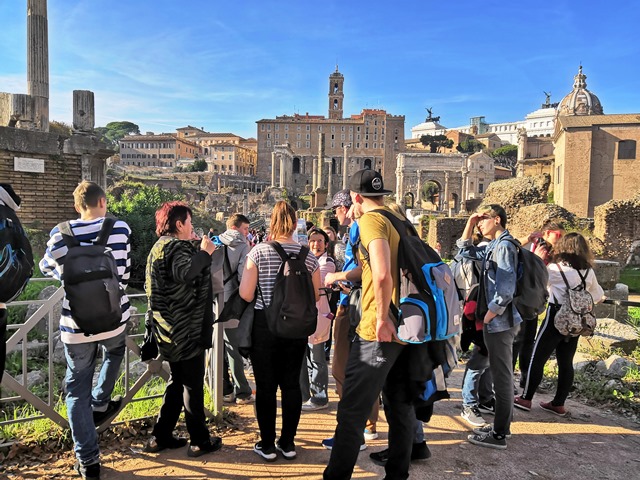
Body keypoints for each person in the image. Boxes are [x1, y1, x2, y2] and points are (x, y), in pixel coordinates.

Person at [324, 170, 417, 480]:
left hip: (379, 329)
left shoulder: (370, 221)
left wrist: (380, 318)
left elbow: (381, 273)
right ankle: (397, 475)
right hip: (407, 326)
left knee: (351, 409)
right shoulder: (400, 221)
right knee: (399, 405)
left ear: (356, 197)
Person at [40, 181, 132, 480]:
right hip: (114, 318)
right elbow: (124, 273)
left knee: (77, 389)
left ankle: (88, 460)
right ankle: (102, 401)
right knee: (115, 350)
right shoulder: (120, 229)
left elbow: (45, 267)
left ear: (77, 206)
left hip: (76, 325)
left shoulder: (59, 234)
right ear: (102, 201)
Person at [239, 201, 321, 461]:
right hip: (296, 327)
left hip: (265, 325)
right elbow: (316, 295)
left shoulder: (259, 252)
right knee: (291, 385)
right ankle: (287, 443)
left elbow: (246, 293)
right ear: (296, 223)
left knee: (265, 386)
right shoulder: (308, 256)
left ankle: (267, 445)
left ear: (271, 222)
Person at [144, 201, 222, 457]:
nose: (191, 227)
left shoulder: (158, 247)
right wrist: (205, 253)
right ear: (179, 224)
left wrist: (195, 250)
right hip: (185, 328)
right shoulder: (175, 247)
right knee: (192, 385)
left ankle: (160, 436)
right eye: (189, 222)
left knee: (178, 382)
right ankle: (199, 441)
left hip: (166, 328)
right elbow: (186, 273)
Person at [515, 232, 605, 416]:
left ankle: (526, 398)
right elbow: (597, 296)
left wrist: (538, 260)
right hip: (576, 321)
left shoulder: (555, 269)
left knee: (537, 358)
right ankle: (558, 403)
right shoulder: (588, 272)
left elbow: (537, 283)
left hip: (556, 316)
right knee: (566, 362)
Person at [457, 204, 521, 450]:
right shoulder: (494, 245)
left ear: (497, 220)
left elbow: (505, 289)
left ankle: (499, 434)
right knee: (499, 374)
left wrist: (489, 316)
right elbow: (464, 251)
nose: (480, 224)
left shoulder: (503, 246)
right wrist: (470, 223)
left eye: (484, 219)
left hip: (500, 323)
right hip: (498, 322)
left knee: (502, 377)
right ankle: (502, 428)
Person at [321, 190, 380, 450]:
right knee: (365, 368)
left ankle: (351, 432)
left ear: (346, 207)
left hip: (353, 305)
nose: (335, 215)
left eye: (336, 210)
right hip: (365, 303)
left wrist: (337, 277)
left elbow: (364, 269)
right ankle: (369, 425)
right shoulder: (374, 225)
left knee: (341, 370)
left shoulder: (358, 228)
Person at [513, 222, 565, 389]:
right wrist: (535, 258)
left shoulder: (552, 252)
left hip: (534, 300)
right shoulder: (529, 246)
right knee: (516, 340)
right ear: (547, 233)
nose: (560, 239)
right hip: (519, 299)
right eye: (558, 235)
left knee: (528, 340)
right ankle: (507, 379)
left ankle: (525, 377)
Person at [219, 213, 254, 405]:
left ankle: (224, 390)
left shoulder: (215, 242)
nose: (247, 233)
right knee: (233, 347)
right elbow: (242, 275)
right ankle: (242, 391)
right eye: (245, 229)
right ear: (235, 228)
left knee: (218, 346)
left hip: (214, 301)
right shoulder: (242, 245)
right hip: (232, 300)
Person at [300, 228, 335, 411]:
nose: (316, 244)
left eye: (320, 241)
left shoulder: (327, 263)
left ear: (326, 244)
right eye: (313, 240)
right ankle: (306, 396)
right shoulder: (306, 260)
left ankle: (320, 397)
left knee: (317, 358)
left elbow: (316, 283)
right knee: (305, 358)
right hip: (304, 314)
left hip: (319, 314)